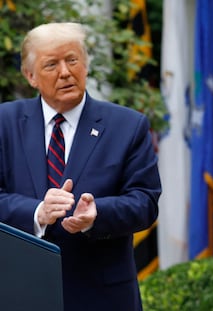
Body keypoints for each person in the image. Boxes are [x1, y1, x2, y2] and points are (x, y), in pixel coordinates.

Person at [0, 22, 161, 311]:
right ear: (30, 76)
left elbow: (145, 202)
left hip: (103, 296)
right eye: (51, 64)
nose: (65, 72)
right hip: (20, 291)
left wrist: (98, 213)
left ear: (85, 64)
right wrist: (38, 212)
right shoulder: (4, 123)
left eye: (72, 60)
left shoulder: (127, 125)